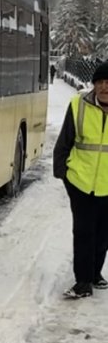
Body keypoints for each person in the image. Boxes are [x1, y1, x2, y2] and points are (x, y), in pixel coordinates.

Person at [53, 60, 108, 298]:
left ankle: (95, 274)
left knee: (103, 233)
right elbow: (64, 142)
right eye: (101, 82)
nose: (105, 87)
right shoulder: (79, 105)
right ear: (94, 85)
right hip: (80, 182)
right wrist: (63, 173)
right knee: (84, 231)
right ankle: (83, 281)